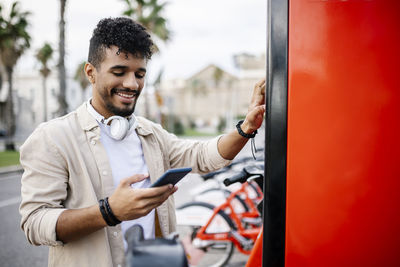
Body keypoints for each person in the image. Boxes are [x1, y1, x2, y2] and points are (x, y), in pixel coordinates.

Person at [19, 17, 265, 267]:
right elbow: (35, 223)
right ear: (90, 73)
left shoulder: (150, 133)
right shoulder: (53, 138)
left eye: (139, 73)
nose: (132, 83)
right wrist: (109, 212)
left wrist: (246, 128)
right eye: (119, 72)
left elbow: (203, 156)